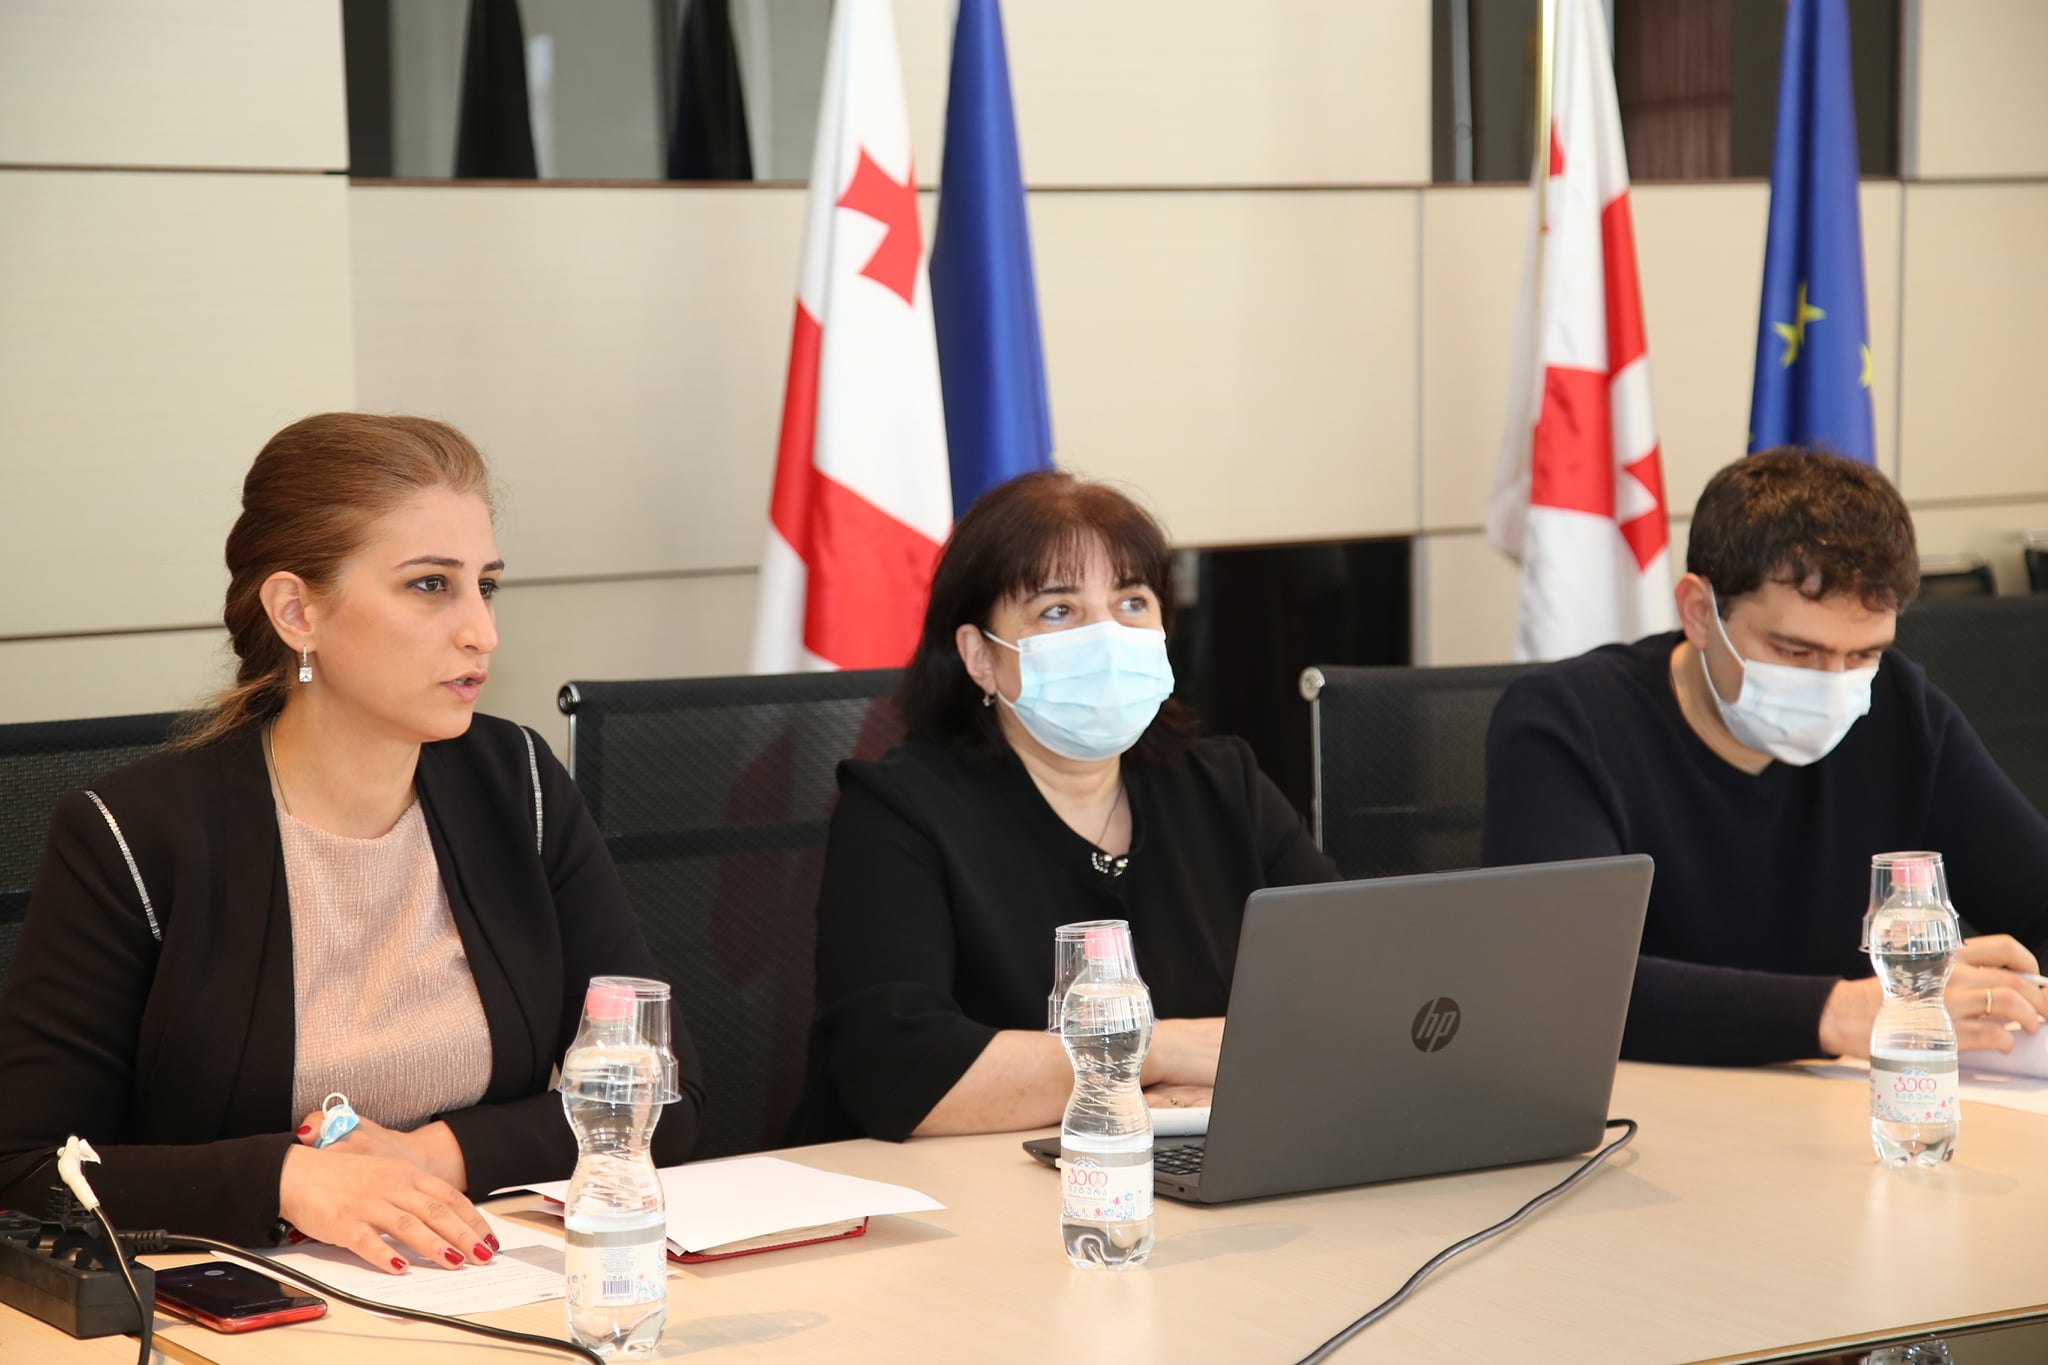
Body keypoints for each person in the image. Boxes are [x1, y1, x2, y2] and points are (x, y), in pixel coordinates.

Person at [0, 414, 704, 1271]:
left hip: (487, 1277)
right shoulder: (133, 834)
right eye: (430, 585)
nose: (482, 631)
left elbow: (664, 1094)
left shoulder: (517, 784)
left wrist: (428, 1157)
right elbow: (23, 1167)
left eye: (486, 585)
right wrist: (290, 1179)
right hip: (241, 1300)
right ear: (297, 611)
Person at [791, 471, 1339, 1144]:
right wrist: (1154, 1051)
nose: (1106, 636)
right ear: (980, 657)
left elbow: (1351, 988)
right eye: (1058, 610)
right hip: (957, 1191)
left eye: (1132, 602)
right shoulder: (899, 810)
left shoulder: (1225, 785)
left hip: (1200, 1163)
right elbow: (901, 1071)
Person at [1483, 448, 2048, 1066]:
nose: (1834, 684)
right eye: (1797, 652)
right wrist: (1842, 1012)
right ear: (1700, 612)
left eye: (1863, 654)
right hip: (1649, 1103)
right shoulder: (1568, 722)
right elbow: (1565, 979)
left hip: (1851, 1104)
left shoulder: (1903, 711)